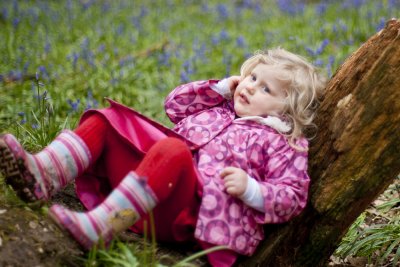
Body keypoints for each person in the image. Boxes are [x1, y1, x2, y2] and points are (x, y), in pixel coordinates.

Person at [0, 48, 326, 266]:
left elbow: (293, 195)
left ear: (289, 110)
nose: (252, 88)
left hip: (193, 215)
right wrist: (221, 89)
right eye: (253, 78)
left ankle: (101, 227)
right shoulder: (221, 104)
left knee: (173, 150)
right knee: (105, 120)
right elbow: (174, 106)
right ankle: (43, 174)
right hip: (150, 188)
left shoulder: (284, 143)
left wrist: (252, 190)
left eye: (266, 89)